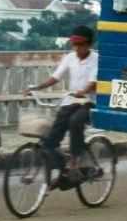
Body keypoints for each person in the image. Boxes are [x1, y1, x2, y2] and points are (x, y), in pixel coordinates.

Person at [24, 25, 99, 181]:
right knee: (52, 136)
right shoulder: (70, 58)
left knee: (75, 122)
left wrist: (83, 91)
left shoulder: (96, 59)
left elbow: (92, 81)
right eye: (75, 44)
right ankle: (63, 168)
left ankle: (73, 165)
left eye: (80, 45)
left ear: (89, 44)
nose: (77, 48)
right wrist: (36, 87)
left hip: (89, 103)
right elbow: (55, 78)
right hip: (71, 101)